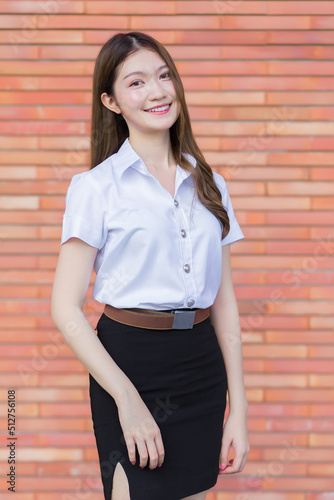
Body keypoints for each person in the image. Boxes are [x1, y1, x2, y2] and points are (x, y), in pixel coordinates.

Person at [51, 31, 250, 500]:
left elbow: (225, 304)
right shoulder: (95, 187)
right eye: (136, 82)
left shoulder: (210, 183)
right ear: (112, 101)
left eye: (163, 76)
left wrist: (238, 409)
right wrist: (127, 400)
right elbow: (64, 308)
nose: (157, 91)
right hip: (131, 361)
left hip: (201, 366)